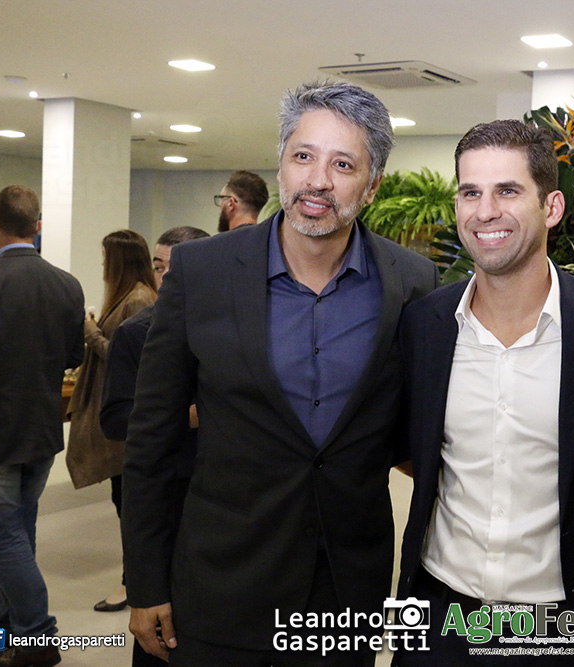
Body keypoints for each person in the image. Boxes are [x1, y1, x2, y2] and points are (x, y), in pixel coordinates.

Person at [122, 80, 439, 666]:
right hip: (219, 584)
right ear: (281, 166)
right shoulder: (202, 271)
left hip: (343, 593)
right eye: (303, 156)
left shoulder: (412, 283)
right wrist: (145, 581)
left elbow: (410, 428)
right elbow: (151, 440)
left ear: (371, 186)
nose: (318, 180)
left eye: (343, 164)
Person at [394, 120, 574, 665]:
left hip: (567, 625)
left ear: (552, 207)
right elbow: (409, 448)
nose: (485, 211)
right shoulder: (425, 323)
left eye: (508, 191)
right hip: (440, 617)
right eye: (471, 193)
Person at [0, 185, 84, 667]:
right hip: (41, 431)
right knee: (18, 530)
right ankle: (3, 620)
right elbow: (73, 355)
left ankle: (37, 638)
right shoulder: (67, 284)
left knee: (4, 537)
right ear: (38, 225)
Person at [100, 225, 209, 667]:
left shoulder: (234, 329)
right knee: (162, 628)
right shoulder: (137, 333)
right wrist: (190, 416)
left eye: (172, 268)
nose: (163, 278)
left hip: (223, 497)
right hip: (166, 492)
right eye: (159, 266)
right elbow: (115, 418)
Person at [66, 229, 157, 612]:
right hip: (121, 414)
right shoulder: (129, 297)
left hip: (128, 418)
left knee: (130, 507)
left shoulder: (138, 300)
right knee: (125, 504)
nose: (102, 264)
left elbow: (129, 357)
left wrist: (91, 334)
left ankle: (132, 582)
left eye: (106, 256)